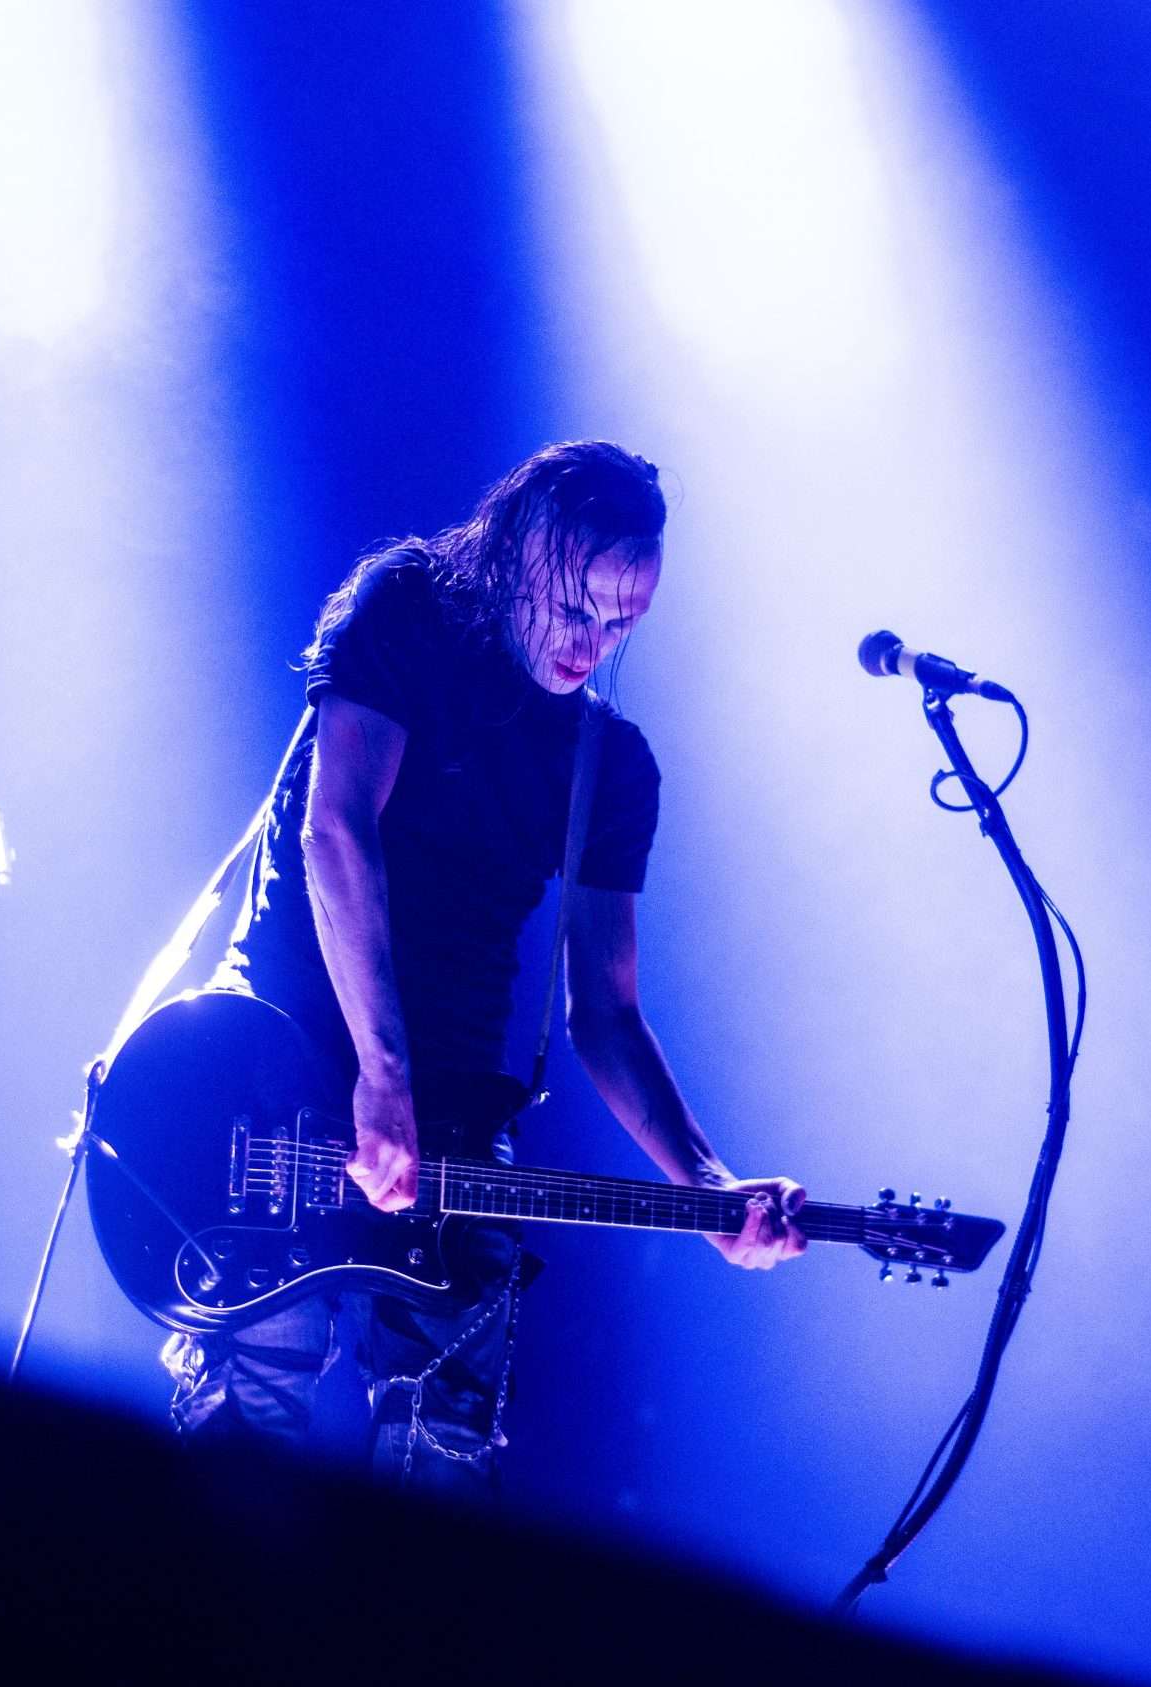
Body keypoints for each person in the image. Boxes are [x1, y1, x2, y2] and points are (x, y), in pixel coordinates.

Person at [174, 440, 806, 1496]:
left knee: (442, 1454)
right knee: (248, 1422)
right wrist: (381, 1078)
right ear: (519, 551)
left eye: (621, 623)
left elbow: (607, 1015)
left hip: (458, 1112)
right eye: (575, 609)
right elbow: (337, 832)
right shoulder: (408, 609)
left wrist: (707, 1184)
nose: (591, 644)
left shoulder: (611, 768)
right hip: (281, 1066)